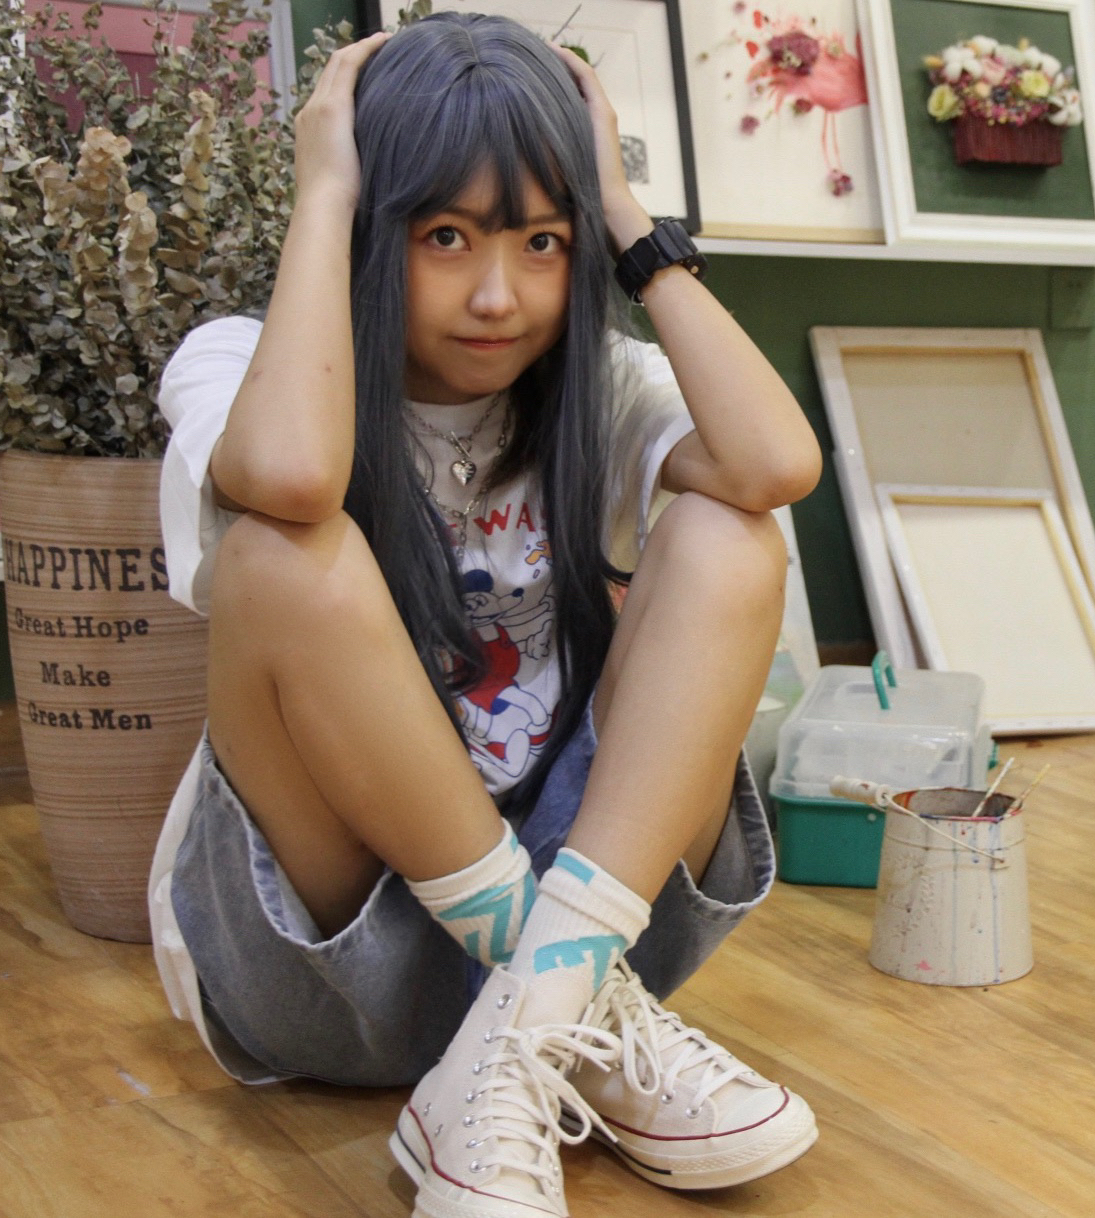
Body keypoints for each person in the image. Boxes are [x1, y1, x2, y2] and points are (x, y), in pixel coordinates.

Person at [143, 14, 823, 1218]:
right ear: (372, 226)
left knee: (732, 534)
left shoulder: (598, 391)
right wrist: (324, 193)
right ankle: (552, 1009)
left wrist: (626, 217)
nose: (499, 296)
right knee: (284, 554)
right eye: (444, 237)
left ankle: (527, 1025)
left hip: (597, 926)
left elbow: (773, 464)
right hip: (343, 967)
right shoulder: (236, 366)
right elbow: (292, 479)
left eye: (543, 241)